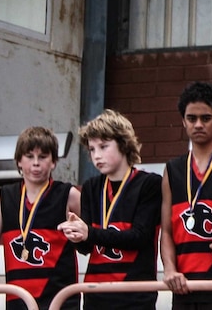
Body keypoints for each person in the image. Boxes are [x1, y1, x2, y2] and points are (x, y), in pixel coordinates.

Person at [59, 109, 163, 310]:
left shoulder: (149, 184)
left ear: (124, 145)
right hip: (96, 292)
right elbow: (87, 248)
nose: (97, 155)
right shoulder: (91, 187)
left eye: (103, 147)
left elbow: (140, 237)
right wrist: (76, 236)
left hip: (135, 293)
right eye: (91, 149)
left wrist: (89, 232)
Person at [0, 127, 82, 310]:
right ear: (19, 161)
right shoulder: (6, 196)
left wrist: (82, 234)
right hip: (18, 296)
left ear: (54, 161)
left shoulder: (68, 194)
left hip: (60, 296)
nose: (36, 163)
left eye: (43, 157)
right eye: (29, 156)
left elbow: (94, 234)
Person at [161, 82, 212, 309]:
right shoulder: (173, 169)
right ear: (182, 121)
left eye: (206, 118)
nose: (198, 124)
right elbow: (166, 230)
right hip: (183, 282)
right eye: (191, 118)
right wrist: (169, 269)